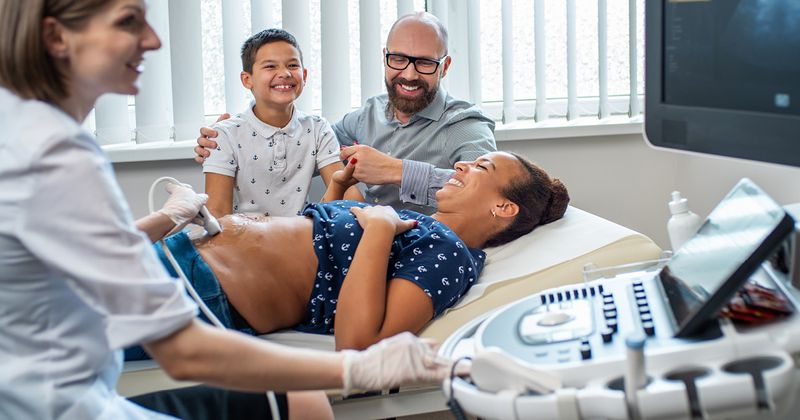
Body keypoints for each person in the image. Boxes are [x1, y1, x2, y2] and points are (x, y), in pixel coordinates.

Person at [0, 1, 456, 419]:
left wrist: (167, 217)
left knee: (304, 403)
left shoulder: (33, 131)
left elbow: (77, 257)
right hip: (53, 403)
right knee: (307, 404)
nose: (154, 40)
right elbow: (185, 351)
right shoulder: (54, 153)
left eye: (424, 61)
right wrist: (355, 370)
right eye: (127, 21)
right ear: (57, 37)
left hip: (75, 376)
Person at [126, 151, 569, 356]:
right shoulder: (421, 224)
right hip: (183, 253)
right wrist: (337, 194)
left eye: (480, 167)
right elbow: (321, 252)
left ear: (503, 208)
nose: (460, 166)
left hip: (201, 291)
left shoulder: (451, 254)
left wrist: (376, 229)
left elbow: (360, 345)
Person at [195, 12, 497, 214]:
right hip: (354, 244)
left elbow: (491, 195)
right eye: (399, 59)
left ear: (444, 66)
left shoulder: (464, 124)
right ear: (385, 58)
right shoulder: (361, 118)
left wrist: (397, 171)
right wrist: (228, 141)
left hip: (419, 246)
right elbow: (292, 144)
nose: (408, 74)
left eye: (425, 63)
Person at [203, 28, 362, 218]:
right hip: (245, 241)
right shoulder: (225, 134)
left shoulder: (318, 128)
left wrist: (373, 219)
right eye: (270, 66)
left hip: (301, 236)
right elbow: (217, 215)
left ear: (304, 75)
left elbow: (348, 196)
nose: (285, 73)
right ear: (247, 80)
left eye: (292, 65)